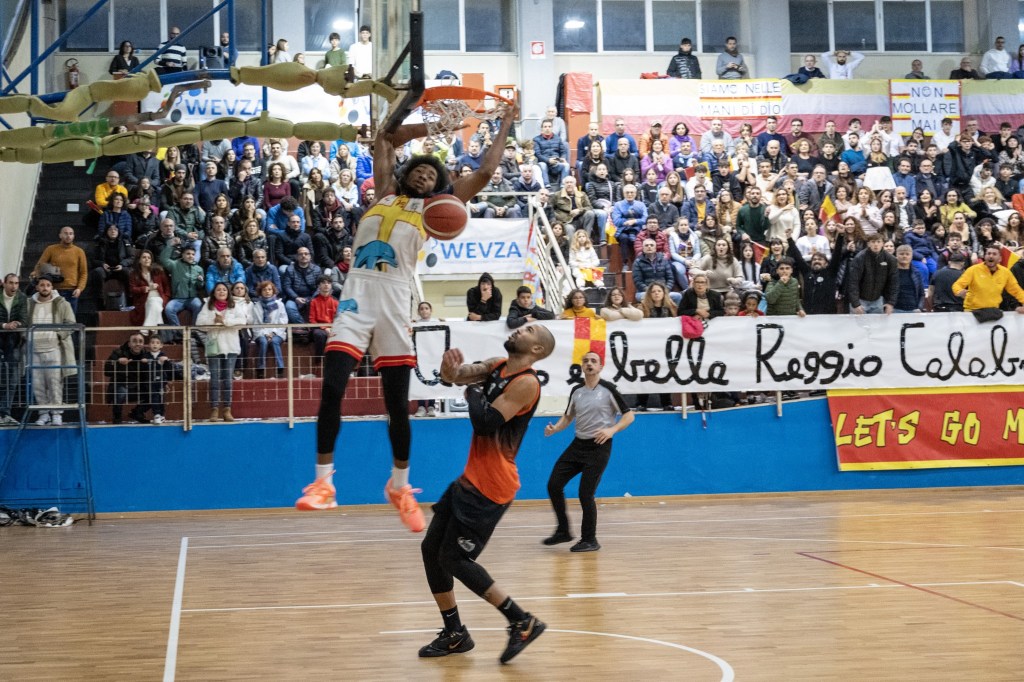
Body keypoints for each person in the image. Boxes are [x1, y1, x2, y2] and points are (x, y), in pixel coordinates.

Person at [297, 101, 518, 522]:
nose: (424, 175)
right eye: (419, 169)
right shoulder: (384, 192)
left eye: (433, 175)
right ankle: (323, 482)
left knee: (397, 404)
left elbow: (486, 173)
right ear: (406, 173)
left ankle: (399, 486)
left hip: (396, 300)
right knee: (332, 389)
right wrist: (430, 127)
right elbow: (386, 137)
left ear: (439, 186)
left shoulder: (435, 212)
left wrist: (506, 121)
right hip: (356, 298)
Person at [418, 324, 555, 662]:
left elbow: (485, 422)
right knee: (432, 549)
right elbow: (460, 376)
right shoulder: (497, 365)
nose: (519, 330)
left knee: (454, 558)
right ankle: (454, 633)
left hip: (492, 485)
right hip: (471, 478)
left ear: (537, 350)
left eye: (529, 330)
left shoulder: (526, 383)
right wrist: (450, 371)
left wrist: (472, 392)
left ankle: (521, 621)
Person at [543, 351, 634, 552]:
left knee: (585, 494)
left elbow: (629, 416)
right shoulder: (577, 391)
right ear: (582, 367)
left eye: (594, 361)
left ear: (600, 366)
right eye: (586, 361)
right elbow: (568, 416)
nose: (589, 363)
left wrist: (612, 430)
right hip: (578, 445)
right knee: (554, 484)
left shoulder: (609, 389)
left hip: (599, 447)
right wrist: (555, 428)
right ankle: (563, 531)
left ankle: (590, 540)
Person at [26, 275, 76, 426]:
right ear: (37, 287)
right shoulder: (29, 303)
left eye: (48, 285)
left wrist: (58, 335)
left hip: (54, 349)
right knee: (38, 385)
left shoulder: (61, 303)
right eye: (42, 285)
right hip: (34, 350)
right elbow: (23, 323)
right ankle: (43, 414)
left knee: (55, 383)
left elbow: (71, 323)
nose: (45, 288)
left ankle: (56, 414)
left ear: (52, 287)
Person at [195, 282, 247, 421]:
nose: (222, 292)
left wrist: (225, 321)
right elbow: (199, 323)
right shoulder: (208, 305)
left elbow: (242, 321)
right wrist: (214, 320)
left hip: (230, 347)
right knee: (215, 379)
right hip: (214, 346)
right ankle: (214, 409)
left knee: (228, 379)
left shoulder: (234, 305)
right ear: (214, 292)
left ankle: (227, 409)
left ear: (228, 292)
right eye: (218, 290)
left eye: (224, 289)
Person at [31, 226, 88, 314]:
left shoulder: (79, 252)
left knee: (70, 318)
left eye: (71, 234)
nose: (68, 236)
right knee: (54, 317)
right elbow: (40, 266)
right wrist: (36, 276)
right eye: (65, 233)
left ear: (73, 236)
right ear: (60, 235)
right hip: (54, 290)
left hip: (72, 291)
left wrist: (79, 288)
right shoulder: (51, 249)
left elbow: (83, 272)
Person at [952, 245, 1024, 312]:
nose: (991, 256)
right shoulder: (973, 270)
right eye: (988, 253)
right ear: (984, 256)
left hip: (993, 311)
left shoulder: (1005, 273)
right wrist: (959, 291)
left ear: (1000, 259)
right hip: (972, 311)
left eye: (994, 254)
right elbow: (957, 285)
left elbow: (1016, 291)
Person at [104, 332, 152, 424]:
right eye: (134, 341)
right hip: (121, 385)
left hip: (138, 387)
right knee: (121, 392)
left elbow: (153, 373)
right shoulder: (118, 353)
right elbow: (107, 371)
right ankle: (117, 417)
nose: (138, 344)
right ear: (129, 344)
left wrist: (163, 383)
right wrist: (118, 362)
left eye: (140, 341)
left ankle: (137, 413)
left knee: (157, 391)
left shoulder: (147, 355)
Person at [0, 273, 28, 425]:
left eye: (16, 283)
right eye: (11, 283)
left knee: (13, 378)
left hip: (14, 341)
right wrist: (5, 325)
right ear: (4, 283)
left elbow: (24, 319)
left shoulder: (21, 298)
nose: (14, 286)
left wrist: (17, 323)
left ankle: (5, 413)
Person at [846, 233, 898, 314]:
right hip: (860, 300)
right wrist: (855, 303)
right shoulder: (859, 258)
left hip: (878, 300)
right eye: (873, 242)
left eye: (878, 242)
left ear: (883, 243)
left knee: (878, 323)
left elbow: (894, 282)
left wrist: (891, 303)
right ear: (868, 244)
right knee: (857, 322)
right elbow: (853, 282)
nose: (876, 244)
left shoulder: (890, 259)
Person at [252, 280, 288, 378]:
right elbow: (255, 323)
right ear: (260, 292)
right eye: (264, 290)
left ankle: (280, 368)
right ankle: (260, 369)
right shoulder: (257, 306)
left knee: (274, 342)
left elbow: (283, 321)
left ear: (273, 291)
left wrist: (273, 333)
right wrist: (265, 334)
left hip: (277, 332)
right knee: (263, 342)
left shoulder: (279, 304)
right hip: (261, 332)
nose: (267, 291)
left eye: (269, 289)